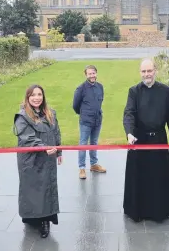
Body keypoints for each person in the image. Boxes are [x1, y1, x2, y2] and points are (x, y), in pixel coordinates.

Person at [122, 58, 169, 223]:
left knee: (157, 177)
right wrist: (129, 133)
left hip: (159, 139)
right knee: (138, 177)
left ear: (155, 71)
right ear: (140, 73)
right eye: (143, 71)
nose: (147, 74)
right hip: (138, 139)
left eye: (149, 71)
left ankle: (158, 211)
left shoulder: (165, 90)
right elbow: (129, 114)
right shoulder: (134, 91)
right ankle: (136, 211)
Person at [13, 84, 62, 238]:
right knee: (32, 190)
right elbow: (27, 138)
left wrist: (59, 151)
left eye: (39, 94)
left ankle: (45, 221)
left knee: (47, 189)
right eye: (33, 95)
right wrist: (43, 147)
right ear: (28, 97)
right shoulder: (22, 116)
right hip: (30, 160)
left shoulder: (50, 114)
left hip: (48, 158)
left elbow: (56, 133)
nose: (36, 98)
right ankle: (32, 218)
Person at [73, 64, 105, 179]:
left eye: (93, 73)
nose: (92, 75)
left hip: (97, 120)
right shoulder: (81, 88)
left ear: (96, 73)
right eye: (89, 73)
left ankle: (94, 164)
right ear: (86, 75)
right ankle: (82, 168)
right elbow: (75, 105)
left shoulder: (100, 87)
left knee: (94, 142)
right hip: (86, 121)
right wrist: (84, 114)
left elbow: (100, 102)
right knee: (83, 144)